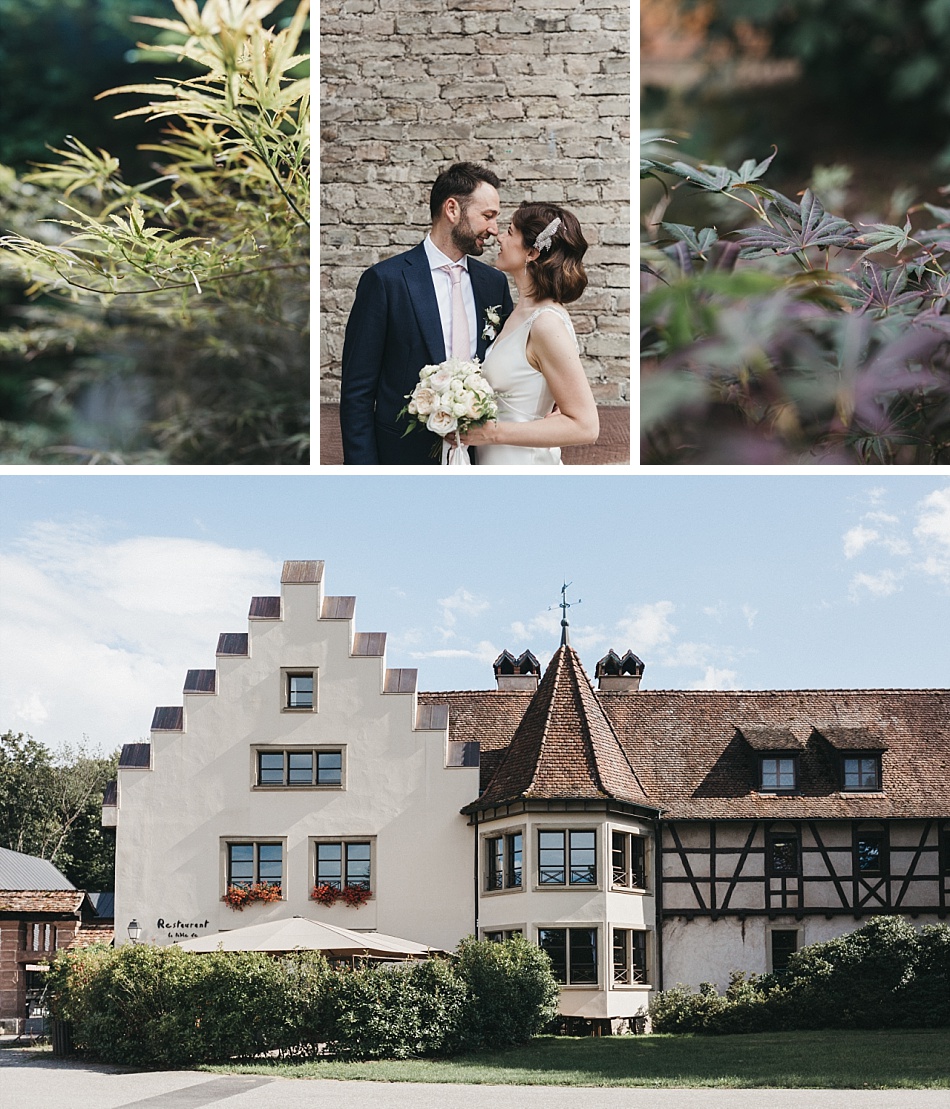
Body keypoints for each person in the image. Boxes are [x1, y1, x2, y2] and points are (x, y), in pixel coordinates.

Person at [339, 163, 515, 465]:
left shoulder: (493, 283)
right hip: (404, 460)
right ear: (452, 209)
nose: (494, 229)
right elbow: (357, 393)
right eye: (487, 216)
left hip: (484, 457)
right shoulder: (386, 281)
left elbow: (514, 358)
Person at [454, 202, 599, 466]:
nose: (499, 236)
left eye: (509, 232)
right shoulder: (518, 312)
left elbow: (585, 426)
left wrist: (490, 433)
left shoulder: (546, 323)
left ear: (531, 252)